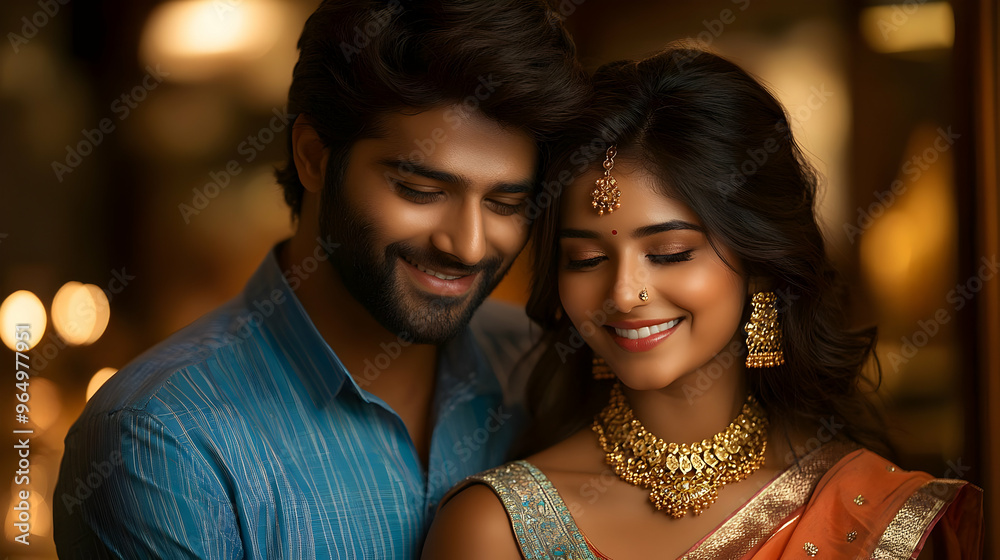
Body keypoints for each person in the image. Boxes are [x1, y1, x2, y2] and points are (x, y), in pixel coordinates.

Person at [53, 1, 587, 557]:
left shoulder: (545, 369)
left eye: (505, 203)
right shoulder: (163, 441)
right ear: (313, 157)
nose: (469, 245)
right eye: (422, 191)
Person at [423, 46, 983, 559]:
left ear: (759, 263)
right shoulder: (496, 527)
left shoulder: (875, 516)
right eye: (587, 260)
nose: (621, 294)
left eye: (669, 252)